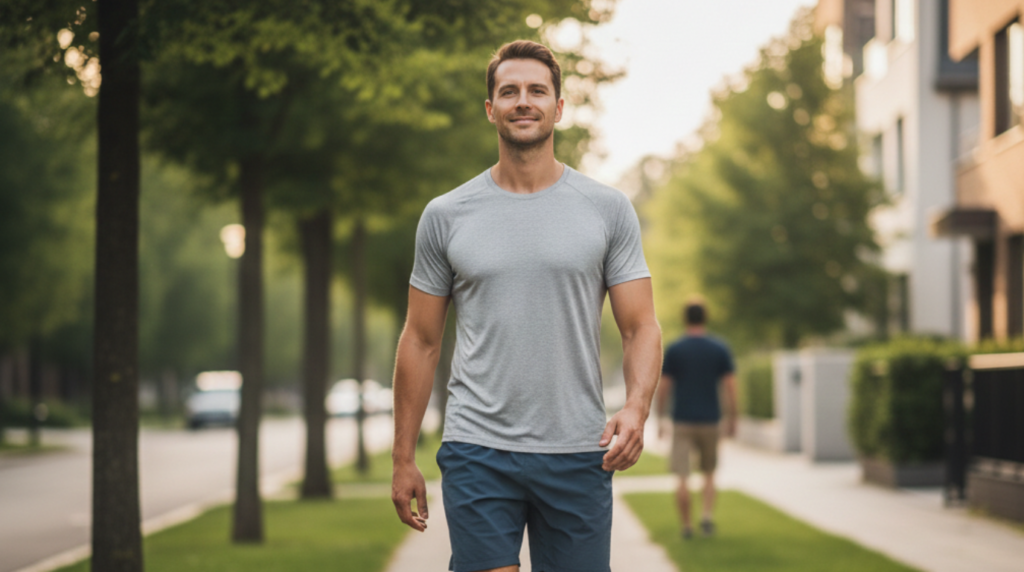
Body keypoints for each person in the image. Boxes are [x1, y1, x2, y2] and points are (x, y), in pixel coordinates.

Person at [389, 40, 662, 572]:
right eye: (509, 91)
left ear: (558, 108)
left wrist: (636, 407)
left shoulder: (607, 210)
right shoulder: (446, 215)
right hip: (477, 448)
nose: (523, 101)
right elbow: (420, 340)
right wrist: (403, 457)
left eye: (537, 91)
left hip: (578, 449)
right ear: (490, 108)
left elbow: (641, 327)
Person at [656, 300, 736, 539]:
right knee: (709, 473)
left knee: (682, 477)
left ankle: (687, 526)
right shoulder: (719, 348)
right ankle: (707, 518)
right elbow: (731, 386)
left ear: (685, 319)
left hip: (682, 421)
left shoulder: (675, 349)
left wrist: (660, 418)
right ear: (705, 318)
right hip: (711, 420)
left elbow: (664, 387)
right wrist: (733, 417)